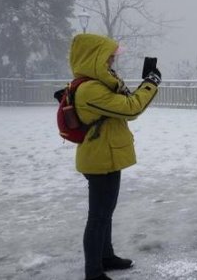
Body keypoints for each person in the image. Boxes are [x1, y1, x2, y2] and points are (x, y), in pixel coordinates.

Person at [69, 33, 162, 280]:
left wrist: (134, 83)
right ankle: (94, 272)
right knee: (98, 216)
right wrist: (151, 83)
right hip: (99, 158)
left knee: (105, 213)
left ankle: (106, 256)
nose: (112, 61)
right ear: (94, 58)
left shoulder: (102, 83)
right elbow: (131, 108)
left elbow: (125, 100)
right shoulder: (90, 89)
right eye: (108, 57)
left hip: (107, 155)